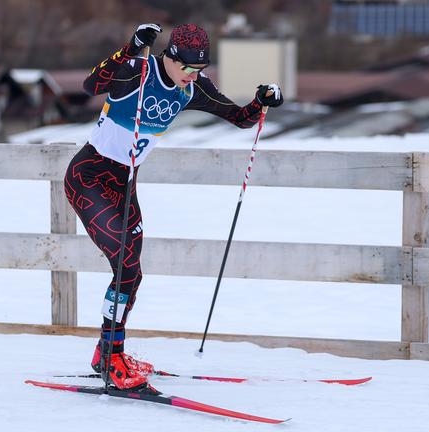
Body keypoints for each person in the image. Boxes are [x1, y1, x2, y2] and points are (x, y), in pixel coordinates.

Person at [63, 23, 283, 391]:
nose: (192, 76)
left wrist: (262, 101)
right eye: (188, 68)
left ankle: (107, 353)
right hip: (89, 177)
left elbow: (240, 118)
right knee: (126, 266)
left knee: (131, 273)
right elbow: (91, 85)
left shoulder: (192, 87)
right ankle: (112, 358)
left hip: (124, 184)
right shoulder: (138, 70)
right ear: (170, 56)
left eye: (200, 70)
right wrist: (132, 47)